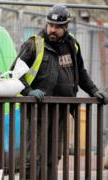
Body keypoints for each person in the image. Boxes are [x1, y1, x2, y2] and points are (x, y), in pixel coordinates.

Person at [12, 4, 108, 179]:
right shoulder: (33, 44)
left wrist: (94, 90)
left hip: (62, 112)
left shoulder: (72, 44)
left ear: (66, 27)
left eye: (57, 27)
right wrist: (28, 92)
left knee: (53, 157)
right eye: (50, 25)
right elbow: (15, 74)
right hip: (37, 112)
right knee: (32, 157)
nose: (53, 30)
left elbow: (81, 72)